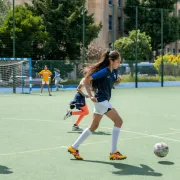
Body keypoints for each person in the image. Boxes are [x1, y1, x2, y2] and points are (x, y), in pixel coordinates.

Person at [67, 50, 127, 160]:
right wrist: (90, 96)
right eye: (118, 61)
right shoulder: (104, 71)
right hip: (101, 101)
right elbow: (86, 80)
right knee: (119, 121)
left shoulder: (114, 71)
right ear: (111, 61)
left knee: (93, 127)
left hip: (102, 102)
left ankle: (74, 147)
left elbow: (112, 84)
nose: (119, 63)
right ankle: (113, 152)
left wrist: (117, 81)